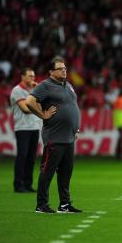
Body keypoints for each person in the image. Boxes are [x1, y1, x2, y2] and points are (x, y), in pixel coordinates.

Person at [26, 56, 82, 214]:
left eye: (65, 68)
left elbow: (72, 107)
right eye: (60, 68)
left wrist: (75, 127)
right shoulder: (45, 85)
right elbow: (30, 101)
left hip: (69, 137)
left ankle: (64, 204)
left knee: (66, 173)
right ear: (51, 72)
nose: (64, 70)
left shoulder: (68, 85)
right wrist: (42, 115)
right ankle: (41, 205)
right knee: (47, 171)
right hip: (55, 138)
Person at [10, 68, 41, 193]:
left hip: (34, 126)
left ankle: (28, 184)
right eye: (29, 76)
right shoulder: (17, 91)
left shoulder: (33, 90)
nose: (32, 79)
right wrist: (37, 106)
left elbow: (43, 102)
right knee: (22, 156)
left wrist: (38, 88)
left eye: (33, 76)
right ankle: (18, 184)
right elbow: (25, 109)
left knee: (31, 157)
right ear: (22, 76)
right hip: (22, 128)